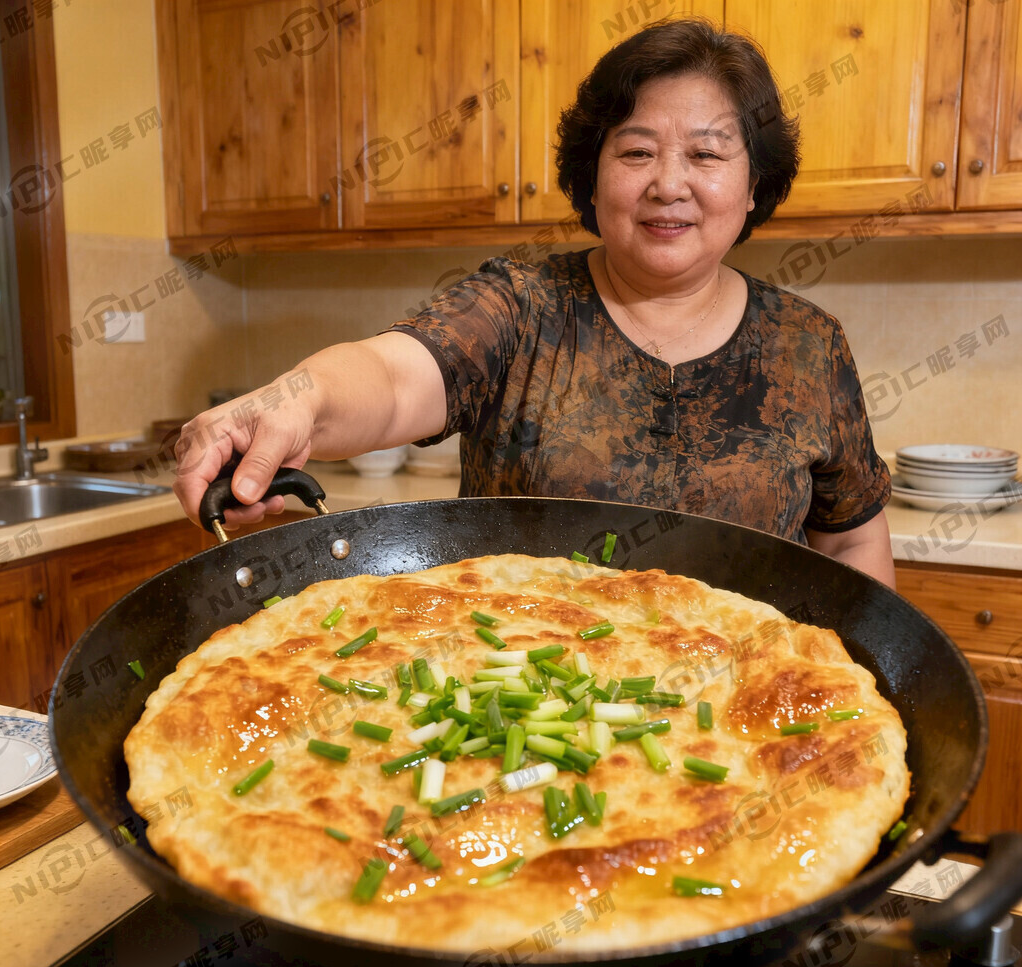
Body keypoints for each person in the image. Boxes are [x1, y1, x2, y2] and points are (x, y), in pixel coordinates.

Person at [175, 19, 894, 587]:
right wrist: (296, 400)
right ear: (593, 175)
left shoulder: (808, 343)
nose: (668, 184)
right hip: (521, 701)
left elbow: (853, 536)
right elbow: (393, 378)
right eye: (637, 152)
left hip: (751, 722)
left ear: (754, 184)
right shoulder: (520, 309)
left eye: (706, 155)